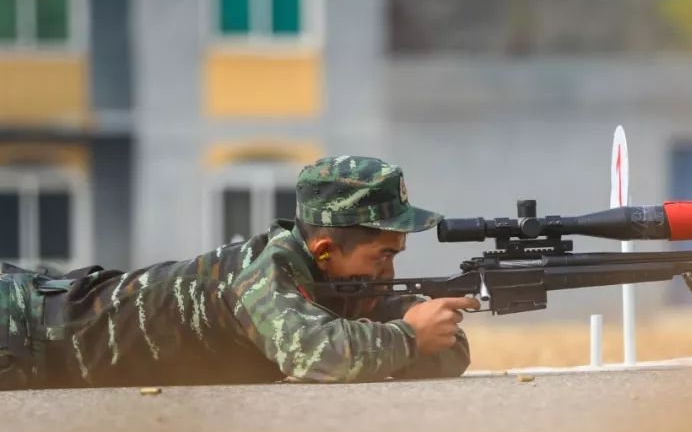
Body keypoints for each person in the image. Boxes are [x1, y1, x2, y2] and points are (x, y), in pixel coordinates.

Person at [0, 156, 479, 390]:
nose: (389, 271)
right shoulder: (262, 275)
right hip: (20, 328)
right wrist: (407, 337)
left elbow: (443, 354)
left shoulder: (329, 282)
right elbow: (318, 357)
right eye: (381, 256)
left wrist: (426, 330)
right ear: (326, 249)